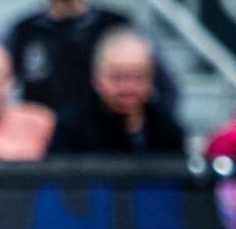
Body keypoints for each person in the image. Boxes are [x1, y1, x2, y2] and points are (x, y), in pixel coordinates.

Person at [7, 0, 167, 113]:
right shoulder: (24, 31)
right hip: (45, 137)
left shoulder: (117, 26)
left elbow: (164, 87)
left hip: (104, 137)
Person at [49, 28, 185, 155]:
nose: (128, 87)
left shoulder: (168, 130)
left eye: (138, 76)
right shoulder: (71, 129)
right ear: (97, 79)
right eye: (118, 77)